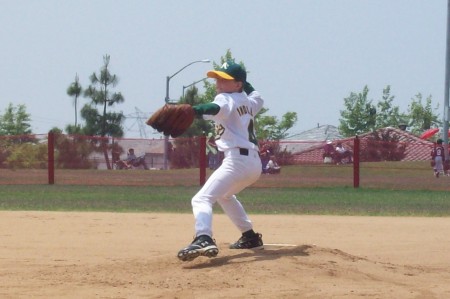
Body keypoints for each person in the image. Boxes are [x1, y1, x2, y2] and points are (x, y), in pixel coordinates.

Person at [177, 61, 264, 262]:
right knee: (225, 196)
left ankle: (203, 237)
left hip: (237, 161)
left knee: (201, 199)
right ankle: (249, 236)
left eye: (224, 79)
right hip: (254, 164)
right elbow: (255, 93)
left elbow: (215, 107)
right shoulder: (251, 102)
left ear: (237, 84)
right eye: (217, 77)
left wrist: (194, 110)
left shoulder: (226, 98)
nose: (218, 82)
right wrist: (242, 82)